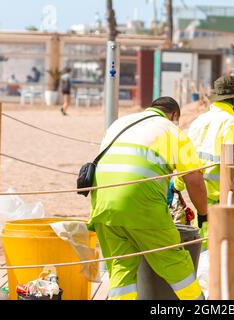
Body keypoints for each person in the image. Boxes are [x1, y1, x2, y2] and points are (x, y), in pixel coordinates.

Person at [89, 97, 208, 300]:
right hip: (141, 206)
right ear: (174, 116)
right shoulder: (171, 131)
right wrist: (203, 214)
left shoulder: (119, 124)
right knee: (174, 261)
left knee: (120, 266)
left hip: (102, 204)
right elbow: (194, 180)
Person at [170, 75, 234, 227]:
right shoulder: (232, 125)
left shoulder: (198, 122)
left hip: (197, 198)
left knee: (201, 246)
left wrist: (176, 185)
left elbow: (186, 161)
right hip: (222, 200)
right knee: (219, 247)